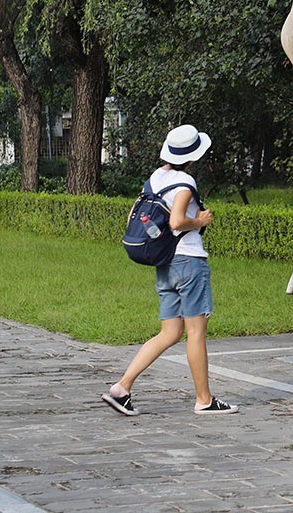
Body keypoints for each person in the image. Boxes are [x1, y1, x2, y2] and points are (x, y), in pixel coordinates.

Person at [101, 125, 238, 416]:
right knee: (196, 333)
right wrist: (200, 220)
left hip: (165, 263)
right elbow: (176, 222)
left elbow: (134, 215)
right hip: (188, 261)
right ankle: (204, 399)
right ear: (194, 155)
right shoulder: (185, 183)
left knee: (170, 332)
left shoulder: (155, 178)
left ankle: (122, 387)